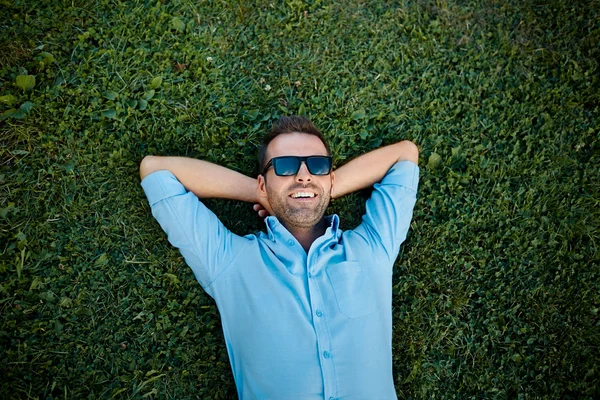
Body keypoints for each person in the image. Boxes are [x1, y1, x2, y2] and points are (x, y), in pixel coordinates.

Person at [139, 116, 420, 399]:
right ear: (263, 183)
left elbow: (405, 154)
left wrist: (317, 189)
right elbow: (156, 170)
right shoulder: (229, 261)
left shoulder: (373, 247)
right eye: (285, 167)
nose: (303, 175)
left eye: (317, 165)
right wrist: (272, 195)